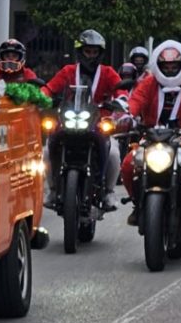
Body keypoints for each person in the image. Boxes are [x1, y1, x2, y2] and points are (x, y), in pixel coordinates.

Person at [119, 40, 181, 228]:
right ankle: (137, 202)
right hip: (151, 136)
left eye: (175, 65)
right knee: (127, 165)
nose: (170, 69)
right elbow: (136, 101)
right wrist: (127, 116)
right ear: (158, 66)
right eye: (166, 65)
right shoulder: (148, 83)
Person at [41, 30, 124, 213]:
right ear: (80, 52)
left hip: (98, 122)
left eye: (94, 52)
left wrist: (120, 101)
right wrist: (43, 96)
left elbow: (121, 91)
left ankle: (109, 192)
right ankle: (53, 190)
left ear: (100, 53)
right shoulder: (68, 71)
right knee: (47, 150)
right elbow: (50, 88)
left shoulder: (108, 72)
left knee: (114, 154)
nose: (91, 55)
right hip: (69, 120)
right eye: (88, 51)